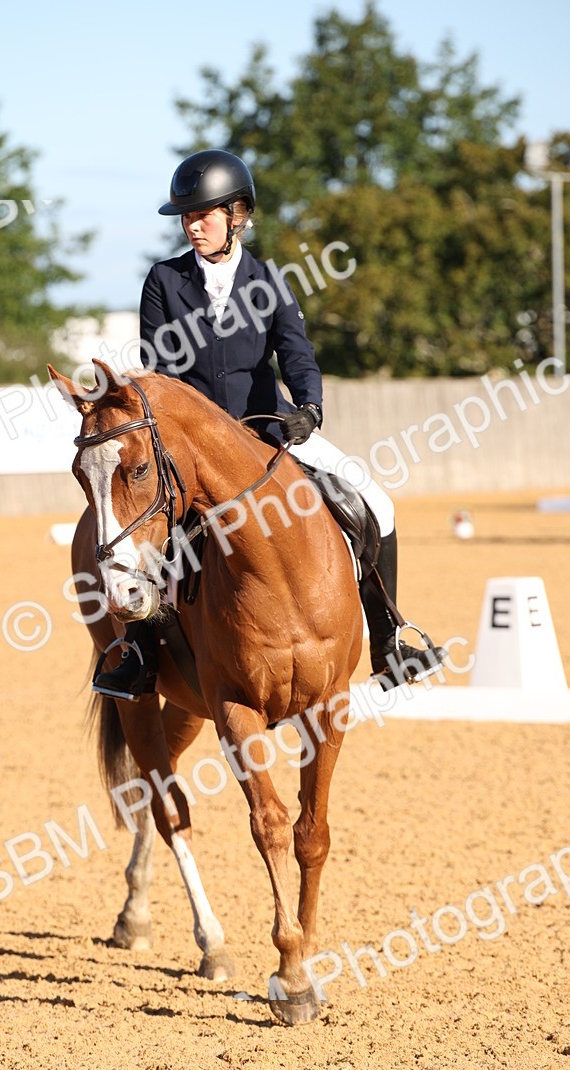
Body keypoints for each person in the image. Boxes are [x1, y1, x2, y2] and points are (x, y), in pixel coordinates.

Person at [94, 149, 444, 699]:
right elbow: (160, 369)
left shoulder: (269, 280)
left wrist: (309, 409)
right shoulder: (164, 280)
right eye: (187, 215)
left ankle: (388, 639)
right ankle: (139, 652)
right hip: (194, 445)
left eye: (204, 213)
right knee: (148, 531)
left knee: (376, 499)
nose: (193, 224)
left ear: (238, 215)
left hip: (271, 429)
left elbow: (296, 353)